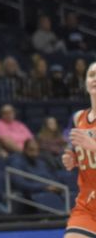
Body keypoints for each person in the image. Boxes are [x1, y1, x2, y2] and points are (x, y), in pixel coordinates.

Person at [62, 61, 96, 237]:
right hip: (88, 206)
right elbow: (72, 145)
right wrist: (72, 157)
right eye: (91, 75)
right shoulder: (78, 118)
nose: (95, 79)